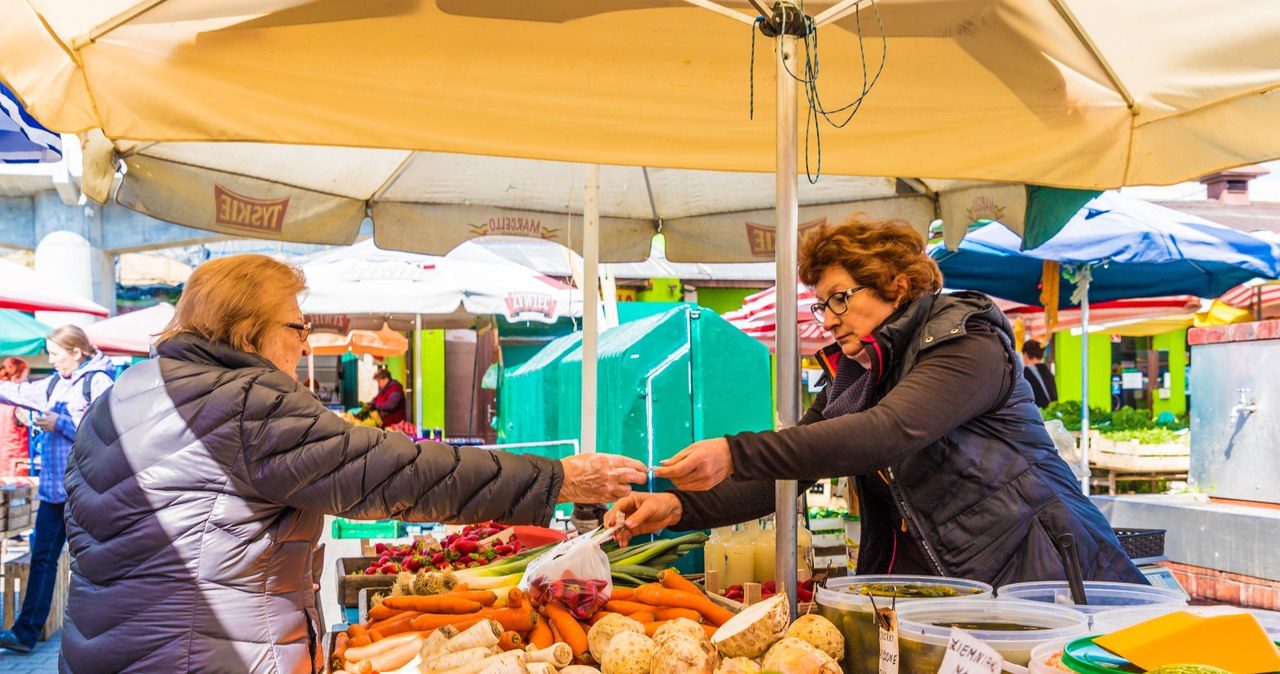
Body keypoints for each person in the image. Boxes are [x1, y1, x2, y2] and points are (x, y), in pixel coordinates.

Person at [57, 254, 647, 673]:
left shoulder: (120, 395)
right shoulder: (241, 402)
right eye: (297, 327)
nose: (306, 344)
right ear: (246, 331)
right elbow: (385, 470)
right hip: (206, 655)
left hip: (104, 650)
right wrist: (559, 477)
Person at [607, 216, 1143, 587]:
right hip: (935, 589)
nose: (830, 316)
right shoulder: (855, 375)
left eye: (841, 297)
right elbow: (793, 472)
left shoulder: (966, 341)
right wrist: (679, 507)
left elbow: (888, 432)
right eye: (822, 305)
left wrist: (735, 450)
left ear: (897, 284)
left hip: (1038, 573)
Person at [0, 327, 115, 655]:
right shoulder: (53, 383)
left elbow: (108, 430)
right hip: (53, 493)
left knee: (92, 566)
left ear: (76, 352)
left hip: (85, 492)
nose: (50, 360)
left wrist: (61, 423)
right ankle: (25, 634)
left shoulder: (100, 382)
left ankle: (101, 638)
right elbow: (16, 394)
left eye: (55, 353)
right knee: (42, 560)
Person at [0, 357, 31, 477]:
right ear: (14, 378)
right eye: (25, 376)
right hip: (15, 463)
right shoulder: (19, 405)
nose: (26, 381)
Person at [1022, 339, 1058, 409]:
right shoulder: (1046, 370)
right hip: (1052, 411)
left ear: (1025, 354)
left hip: (1037, 413)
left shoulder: (1025, 372)